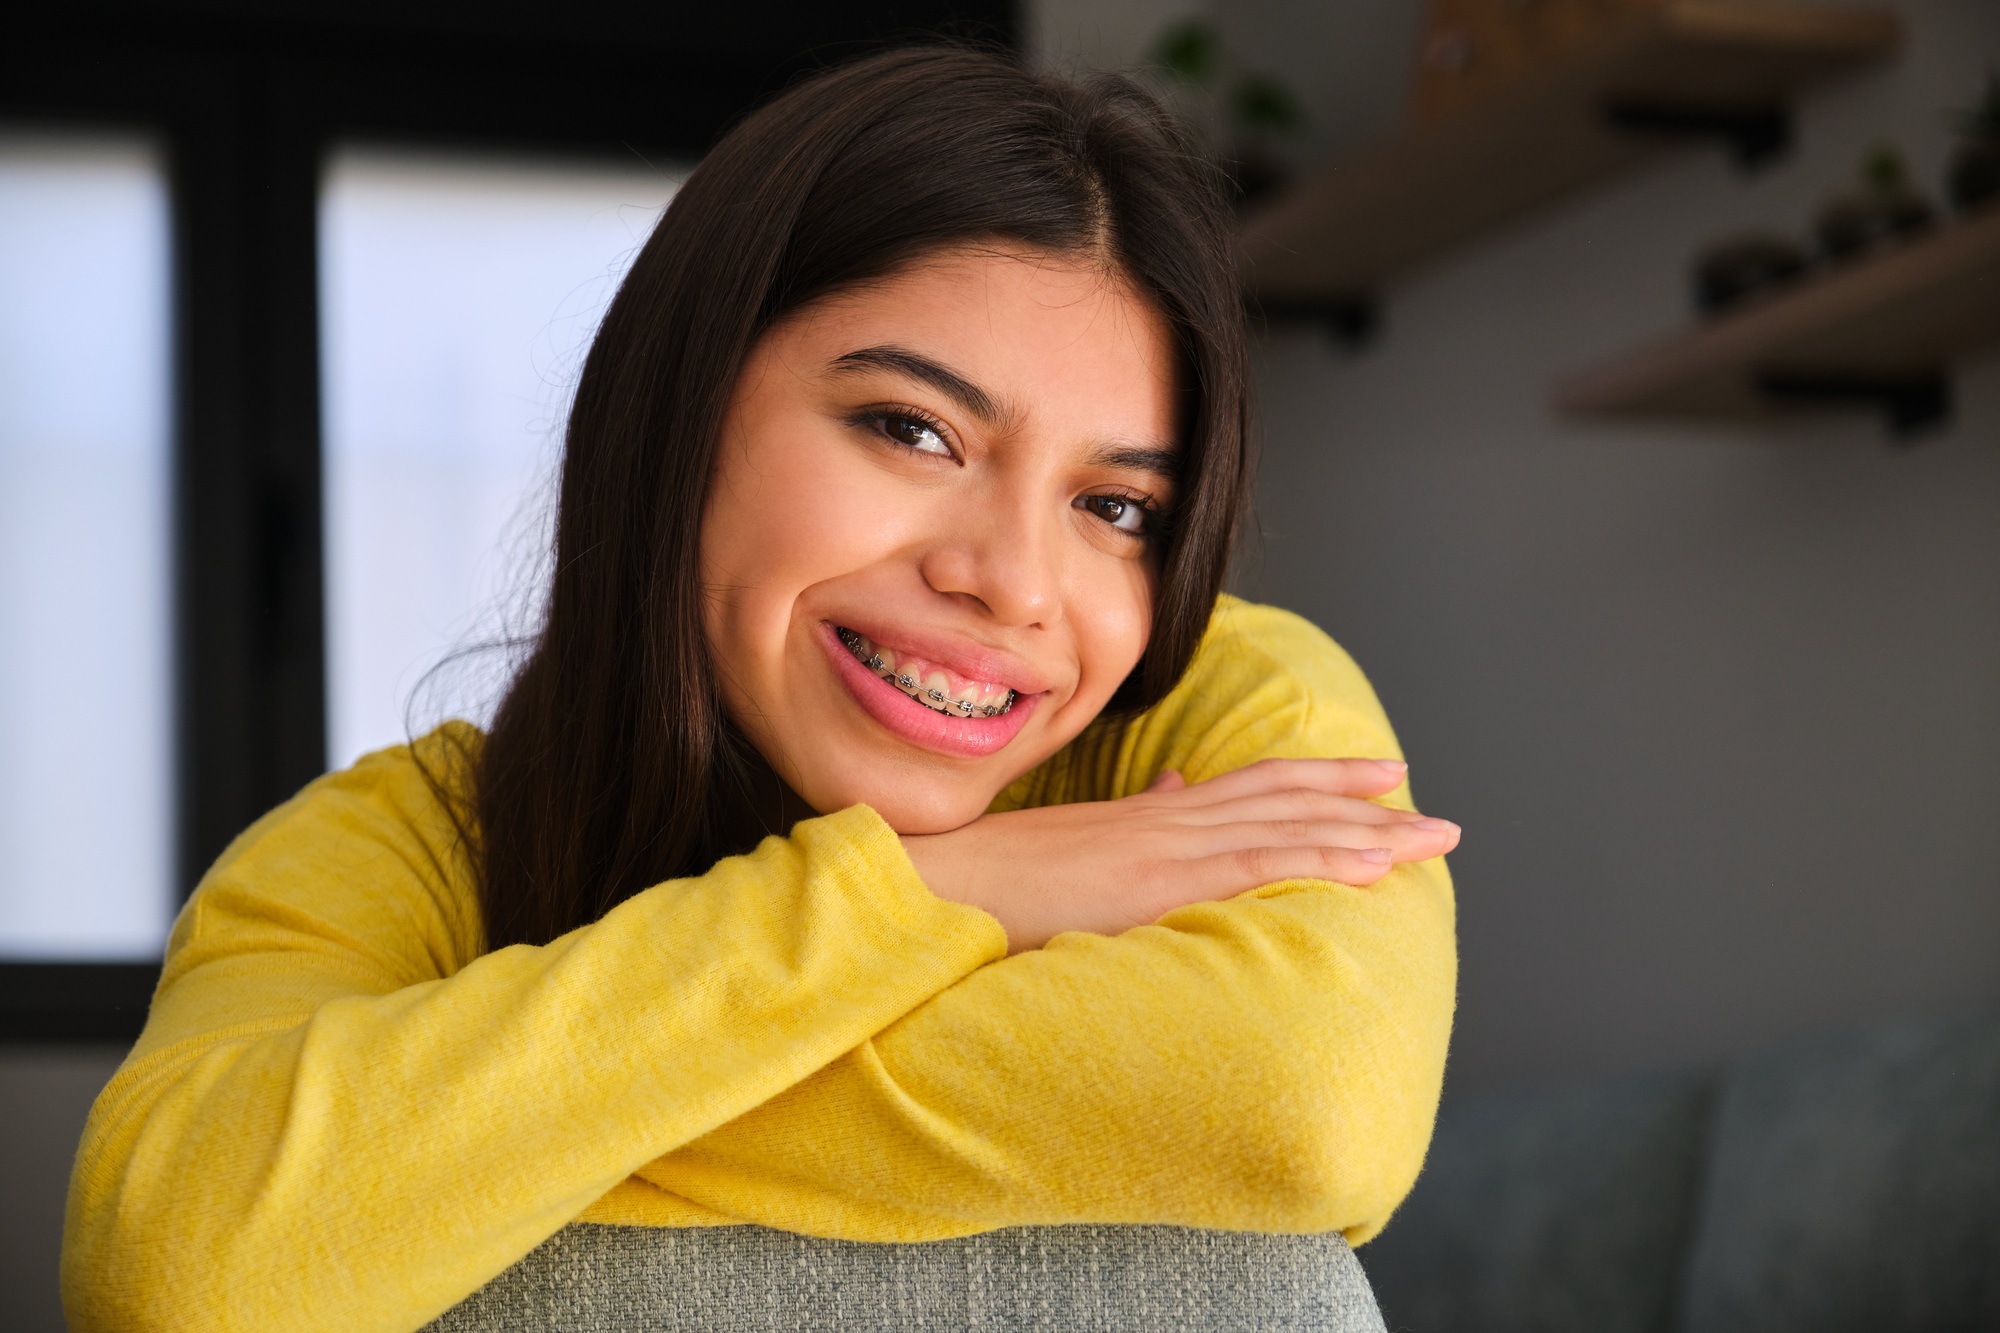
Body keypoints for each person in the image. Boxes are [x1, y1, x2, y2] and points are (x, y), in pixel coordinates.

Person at [61, 46, 1458, 1333]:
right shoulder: (403, 844)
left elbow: (1312, 1106)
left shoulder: (1224, 709)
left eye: (1117, 507)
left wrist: (463, 1148)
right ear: (684, 406)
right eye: (912, 428)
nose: (1015, 583)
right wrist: (930, 892)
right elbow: (180, 1262)